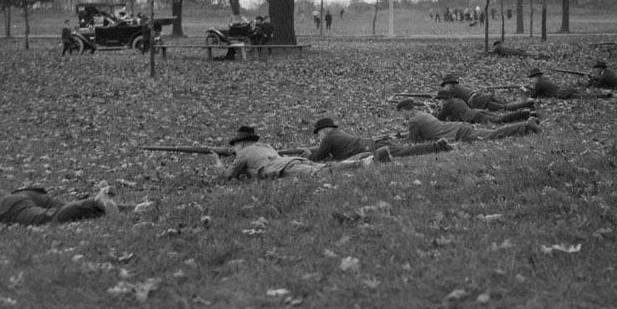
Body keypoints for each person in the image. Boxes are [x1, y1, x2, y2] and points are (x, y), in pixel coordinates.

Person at [0, 163, 117, 227]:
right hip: (26, 194)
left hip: (6, 208)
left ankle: (97, 203)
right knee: (65, 206)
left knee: (50, 218)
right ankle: (133, 208)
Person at [212, 125, 370, 180]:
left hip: (284, 168)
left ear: (242, 143)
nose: (234, 148)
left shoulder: (243, 153)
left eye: (235, 145)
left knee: (325, 171)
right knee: (325, 168)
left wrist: (217, 160)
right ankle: (363, 158)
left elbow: (227, 176)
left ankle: (361, 162)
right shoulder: (265, 146)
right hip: (291, 162)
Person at [307, 117, 454, 162]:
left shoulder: (329, 138)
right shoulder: (337, 133)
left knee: (405, 152)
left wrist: (306, 155)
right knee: (404, 150)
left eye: (318, 134)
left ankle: (437, 147)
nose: (319, 137)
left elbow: (317, 158)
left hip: (372, 148)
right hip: (373, 144)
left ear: (325, 131)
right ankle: (436, 146)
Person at [396, 99, 540, 142]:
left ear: (405, 110)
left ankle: (526, 125)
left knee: (492, 135)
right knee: (493, 132)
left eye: (401, 113)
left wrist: (396, 141)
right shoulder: (422, 114)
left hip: (458, 132)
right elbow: (425, 131)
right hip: (458, 127)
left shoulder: (414, 121)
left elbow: (412, 140)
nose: (402, 116)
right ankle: (525, 123)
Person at [440, 73, 534, 112]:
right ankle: (526, 103)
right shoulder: (459, 86)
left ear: (448, 84)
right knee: (505, 104)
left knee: (504, 108)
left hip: (477, 100)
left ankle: (527, 103)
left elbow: (448, 103)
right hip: (481, 95)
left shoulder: (450, 89)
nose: (444, 87)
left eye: (445, 85)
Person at [433, 89, 531, 124]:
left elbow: (440, 118)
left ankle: (521, 114)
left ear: (443, 100)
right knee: (498, 116)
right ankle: (523, 113)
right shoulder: (457, 100)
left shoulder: (447, 105)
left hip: (474, 117)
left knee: (498, 120)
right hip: (477, 111)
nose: (439, 103)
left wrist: (432, 111)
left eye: (439, 100)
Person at [525, 68, 613, 99]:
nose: (532, 80)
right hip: (566, 91)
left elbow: (533, 95)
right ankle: (603, 94)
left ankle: (604, 95)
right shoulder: (544, 80)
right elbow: (539, 91)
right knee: (585, 94)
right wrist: (530, 88)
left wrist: (525, 90)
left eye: (532, 78)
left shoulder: (539, 84)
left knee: (585, 96)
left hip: (564, 94)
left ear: (536, 77)